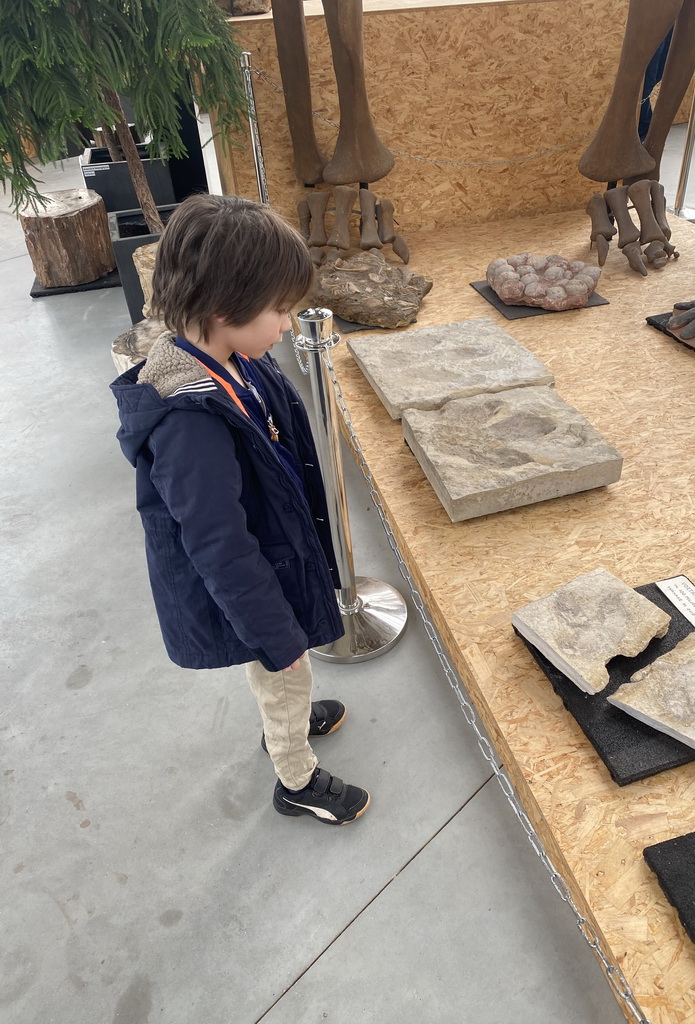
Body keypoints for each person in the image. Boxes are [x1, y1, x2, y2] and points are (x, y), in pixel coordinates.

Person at [110, 194, 370, 826]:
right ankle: (296, 774)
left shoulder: (229, 358)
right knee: (284, 666)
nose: (287, 324)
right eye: (279, 310)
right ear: (224, 310)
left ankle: (290, 706)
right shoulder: (187, 426)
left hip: (275, 557)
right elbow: (220, 546)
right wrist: (276, 636)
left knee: (286, 663)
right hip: (255, 583)